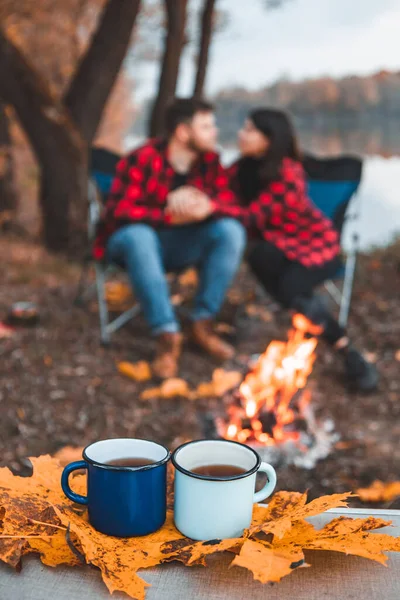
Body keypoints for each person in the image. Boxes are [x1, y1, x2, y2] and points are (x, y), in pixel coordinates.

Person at [225, 108, 378, 392]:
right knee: (262, 259)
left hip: (318, 249)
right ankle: (341, 346)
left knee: (289, 287)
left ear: (269, 139)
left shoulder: (288, 172)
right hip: (281, 248)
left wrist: (209, 207)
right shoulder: (242, 166)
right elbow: (218, 188)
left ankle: (346, 349)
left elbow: (252, 217)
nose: (240, 134)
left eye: (248, 130)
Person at [93, 98, 246, 379]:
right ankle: (167, 335)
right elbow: (117, 211)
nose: (215, 132)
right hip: (130, 246)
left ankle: (202, 323)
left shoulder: (210, 163)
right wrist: (167, 211)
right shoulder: (142, 158)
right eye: (206, 126)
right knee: (140, 236)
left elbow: (234, 206)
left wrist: (208, 207)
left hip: (178, 246)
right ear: (183, 131)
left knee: (230, 231)